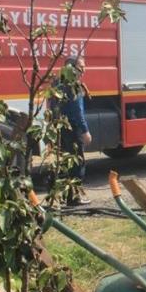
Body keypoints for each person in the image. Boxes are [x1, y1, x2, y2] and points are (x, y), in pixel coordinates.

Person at [55, 56, 92, 206]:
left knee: (66, 163)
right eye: (81, 67)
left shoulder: (57, 83)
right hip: (73, 128)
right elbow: (78, 111)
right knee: (77, 162)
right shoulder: (74, 86)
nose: (84, 70)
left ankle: (66, 197)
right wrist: (85, 131)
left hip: (61, 127)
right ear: (72, 68)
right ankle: (75, 197)